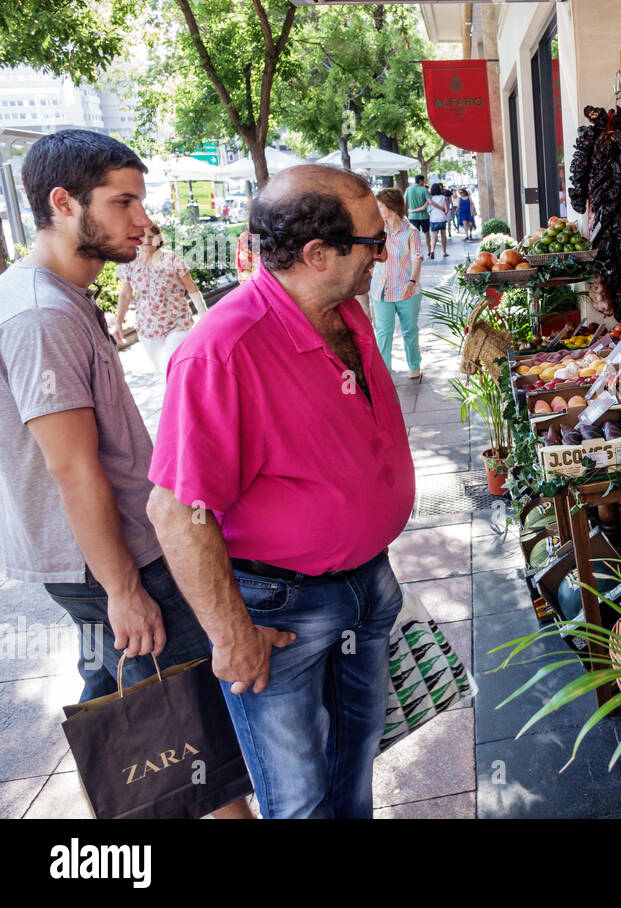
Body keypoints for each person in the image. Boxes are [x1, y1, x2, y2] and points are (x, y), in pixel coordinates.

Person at [146, 164, 416, 819]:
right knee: (298, 797)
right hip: (280, 613)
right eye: (372, 243)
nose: (384, 255)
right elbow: (177, 509)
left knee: (355, 763)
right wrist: (231, 633)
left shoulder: (344, 311)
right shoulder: (223, 349)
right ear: (318, 254)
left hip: (365, 587)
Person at [0, 129, 252, 819]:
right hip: (112, 562)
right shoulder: (41, 313)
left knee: (148, 716)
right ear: (63, 203)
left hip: (111, 556)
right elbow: (72, 467)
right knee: (193, 737)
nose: (143, 219)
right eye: (124, 202)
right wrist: (122, 589)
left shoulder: (57, 293)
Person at [112, 221, 207, 377]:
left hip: (177, 323)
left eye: (151, 237)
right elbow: (125, 294)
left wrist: (204, 315)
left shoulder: (171, 259)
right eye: (143, 237)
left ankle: (180, 398)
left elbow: (191, 287)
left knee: (173, 368)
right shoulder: (129, 263)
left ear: (158, 238)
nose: (147, 241)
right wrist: (118, 324)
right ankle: (173, 399)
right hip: (148, 328)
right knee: (163, 374)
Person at [369, 188, 424, 380]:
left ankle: (414, 365)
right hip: (381, 290)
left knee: (410, 330)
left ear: (391, 207)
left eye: (380, 206)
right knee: (383, 332)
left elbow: (417, 258)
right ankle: (384, 371)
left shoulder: (411, 232)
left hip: (406, 290)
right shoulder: (376, 231)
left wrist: (412, 282)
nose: (378, 210)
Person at [404, 174, 431, 255]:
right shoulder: (424, 190)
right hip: (424, 216)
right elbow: (429, 201)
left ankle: (416, 252)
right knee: (427, 234)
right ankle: (429, 251)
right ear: (420, 181)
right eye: (424, 180)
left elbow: (404, 202)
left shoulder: (408, 189)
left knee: (414, 236)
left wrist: (405, 212)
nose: (424, 182)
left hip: (412, 217)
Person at [428, 182, 450, 258]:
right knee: (443, 235)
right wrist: (444, 214)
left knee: (434, 236)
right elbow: (447, 210)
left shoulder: (430, 198)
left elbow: (428, 210)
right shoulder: (443, 197)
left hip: (433, 219)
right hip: (441, 218)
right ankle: (444, 252)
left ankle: (432, 251)